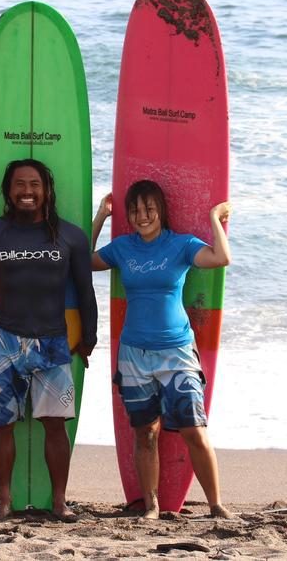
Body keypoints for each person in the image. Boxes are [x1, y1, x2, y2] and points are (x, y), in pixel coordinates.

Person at [0, 158, 97, 521]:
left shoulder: (70, 237)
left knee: (55, 423)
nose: (27, 191)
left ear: (46, 190)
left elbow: (85, 291)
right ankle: (4, 500)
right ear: (8, 190)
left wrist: (89, 337)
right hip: (5, 339)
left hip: (53, 342)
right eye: (20, 184)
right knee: (1, 423)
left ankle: (59, 501)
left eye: (34, 184)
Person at [90, 180, 232, 520]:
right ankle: (151, 505)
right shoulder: (123, 248)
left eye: (149, 209)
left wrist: (214, 217)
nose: (142, 216)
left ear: (161, 210)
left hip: (177, 352)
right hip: (134, 354)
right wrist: (101, 217)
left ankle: (215, 504)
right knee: (145, 433)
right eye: (136, 210)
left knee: (194, 429)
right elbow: (83, 262)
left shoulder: (180, 245)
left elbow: (220, 257)